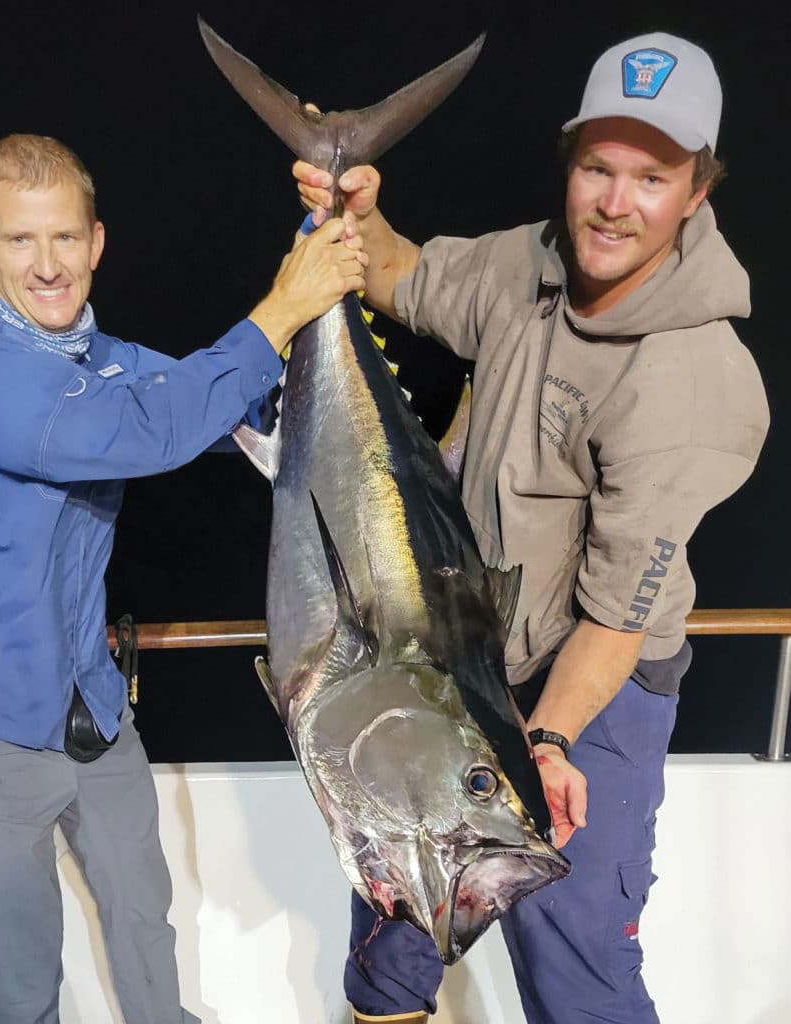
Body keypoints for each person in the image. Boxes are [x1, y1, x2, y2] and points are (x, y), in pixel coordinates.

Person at [295, 32, 769, 1024]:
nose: (612, 200)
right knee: (392, 912)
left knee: (570, 953)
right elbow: (402, 280)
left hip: (589, 685)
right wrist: (353, 211)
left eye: (650, 176)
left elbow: (615, 614)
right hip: (460, 646)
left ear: (695, 189)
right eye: (597, 166)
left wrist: (544, 739)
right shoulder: (528, 266)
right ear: (571, 163)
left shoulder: (690, 377)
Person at [0, 132, 367, 1024]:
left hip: (92, 706)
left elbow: (221, 405)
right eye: (19, 241)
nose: (48, 264)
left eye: (65, 238)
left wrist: (317, 237)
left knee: (143, 917)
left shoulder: (103, 361)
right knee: (17, 975)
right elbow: (133, 432)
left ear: (96, 243)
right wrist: (280, 311)